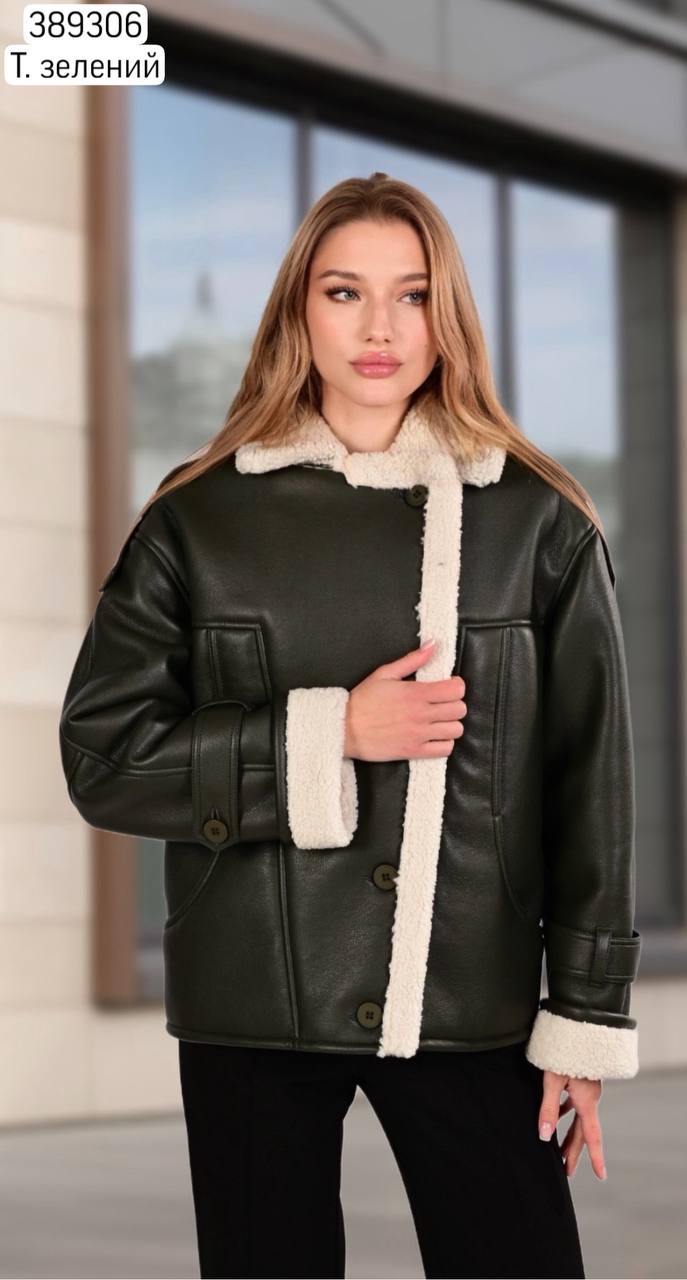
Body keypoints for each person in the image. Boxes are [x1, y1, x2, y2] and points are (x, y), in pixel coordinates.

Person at [59, 172, 642, 1280]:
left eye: (411, 294)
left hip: (469, 997)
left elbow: (592, 794)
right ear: (298, 310)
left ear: (446, 313)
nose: (379, 328)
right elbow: (104, 756)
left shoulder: (540, 522)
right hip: (250, 1001)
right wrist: (330, 734)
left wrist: (583, 1016)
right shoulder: (196, 516)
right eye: (344, 292)